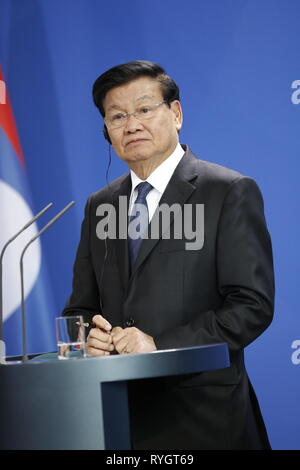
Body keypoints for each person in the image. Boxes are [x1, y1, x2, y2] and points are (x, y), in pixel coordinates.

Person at [62, 60, 275, 450]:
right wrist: (85, 339)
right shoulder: (101, 205)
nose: (131, 125)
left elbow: (251, 306)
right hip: (117, 417)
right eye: (117, 116)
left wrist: (158, 344)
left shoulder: (228, 191)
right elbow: (80, 307)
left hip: (203, 416)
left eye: (144, 109)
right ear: (106, 131)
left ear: (175, 114)